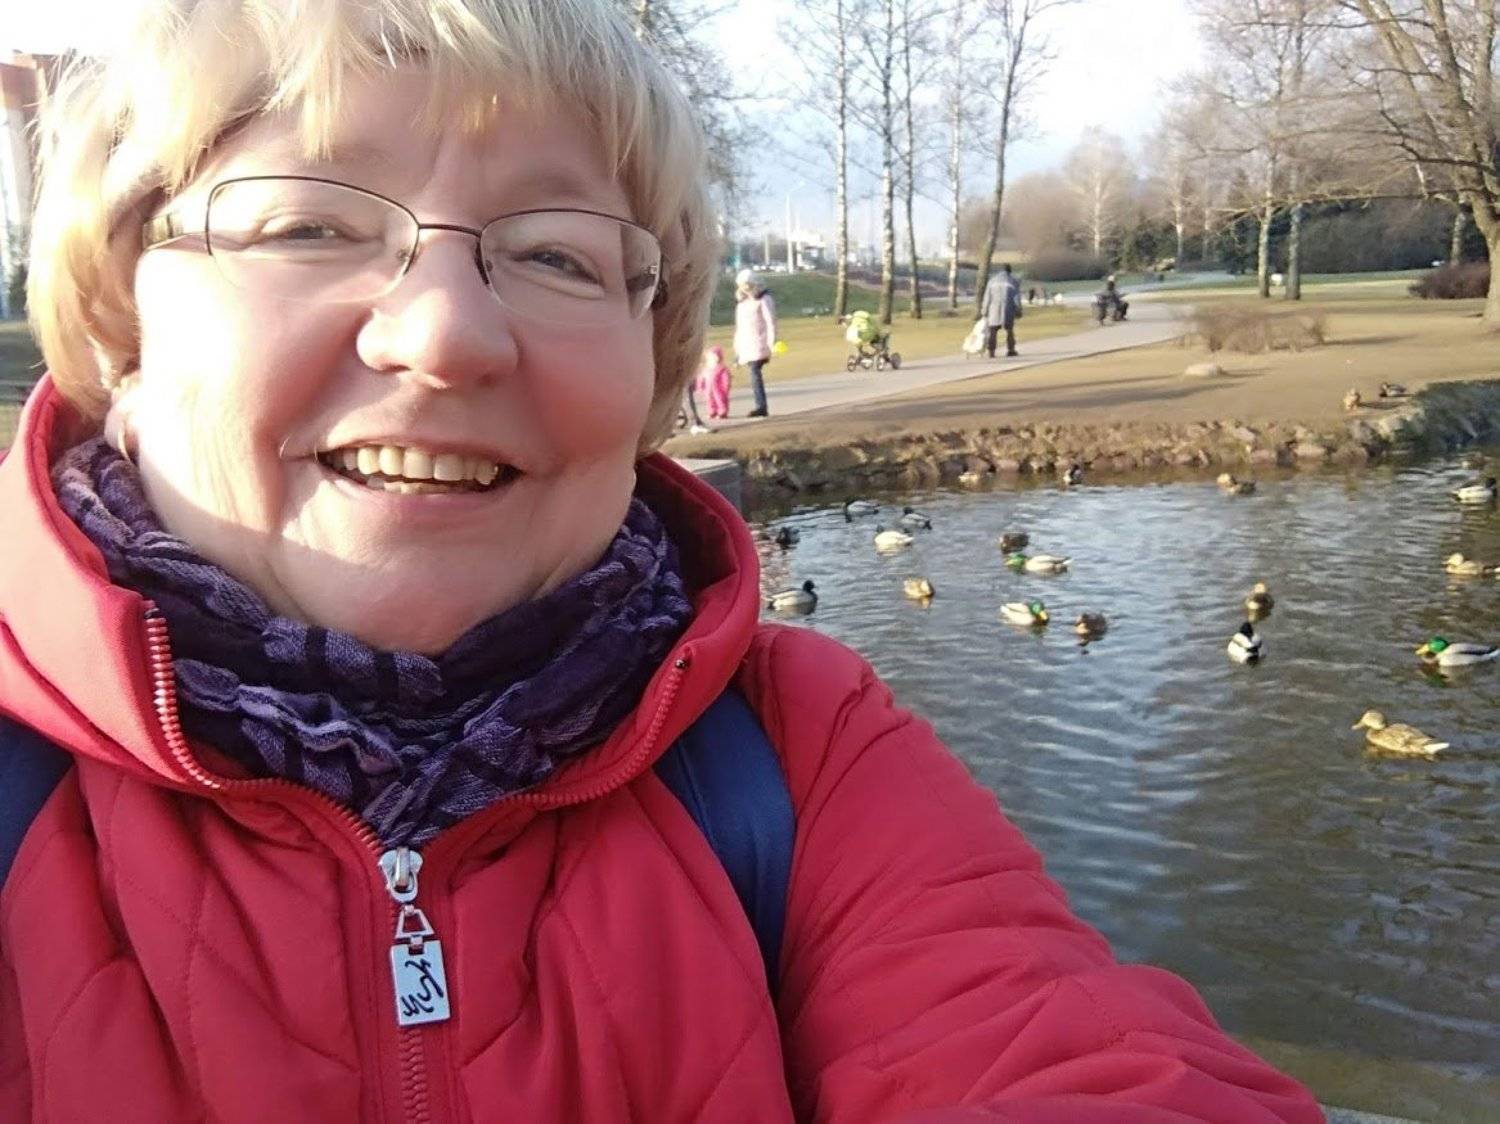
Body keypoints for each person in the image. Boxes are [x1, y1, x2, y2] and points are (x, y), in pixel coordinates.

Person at [0, 1, 1321, 1119]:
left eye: (556, 254)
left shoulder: (793, 751)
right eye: (307, 226)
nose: (448, 333)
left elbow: (1071, 1056)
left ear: (650, 371)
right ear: (122, 325)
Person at [733, 267, 777, 417]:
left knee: (754, 371)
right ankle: (760, 405)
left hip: (760, 342)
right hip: (746, 344)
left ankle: (761, 406)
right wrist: (737, 351)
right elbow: (740, 328)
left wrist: (771, 343)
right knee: (753, 373)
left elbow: (771, 322)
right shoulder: (742, 303)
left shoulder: (763, 300)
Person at [981, 261, 1022, 358]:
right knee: (1009, 330)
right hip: (1008, 308)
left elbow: (987, 297)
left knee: (993, 331)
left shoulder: (992, 281)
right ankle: (1011, 350)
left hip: (993, 309)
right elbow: (1016, 298)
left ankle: (991, 351)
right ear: (1010, 271)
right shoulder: (1013, 281)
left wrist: (984, 310)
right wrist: (1018, 310)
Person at [697, 344, 732, 420]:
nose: (711, 359)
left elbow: (726, 379)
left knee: (720, 400)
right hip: (708, 389)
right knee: (710, 400)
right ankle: (712, 412)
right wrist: (700, 387)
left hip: (719, 390)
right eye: (710, 357)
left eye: (713, 357)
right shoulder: (706, 369)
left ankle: (722, 412)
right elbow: (701, 378)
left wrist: (725, 388)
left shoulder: (722, 369)